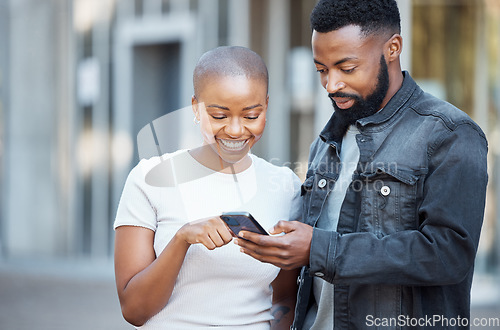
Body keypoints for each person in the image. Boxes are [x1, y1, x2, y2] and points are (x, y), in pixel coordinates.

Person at [235, 0, 489, 329]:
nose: (331, 84)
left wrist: (318, 248)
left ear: (393, 48)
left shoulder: (450, 135)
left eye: (346, 68)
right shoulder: (325, 144)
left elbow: (447, 255)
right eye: (322, 70)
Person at [113, 46, 301, 329]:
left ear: (266, 106)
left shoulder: (285, 186)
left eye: (251, 116)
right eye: (219, 115)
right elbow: (134, 310)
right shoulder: (149, 179)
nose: (236, 130)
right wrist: (181, 240)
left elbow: (285, 296)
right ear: (195, 107)